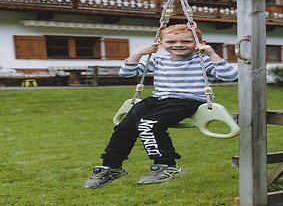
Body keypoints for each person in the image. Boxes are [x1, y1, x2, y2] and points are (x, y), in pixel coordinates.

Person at [84, 24, 238, 188]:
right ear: (160, 43)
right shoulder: (158, 60)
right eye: (171, 41)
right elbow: (126, 73)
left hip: (187, 100)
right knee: (126, 126)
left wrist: (212, 54)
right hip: (158, 99)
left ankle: (167, 166)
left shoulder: (202, 61)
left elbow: (230, 76)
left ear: (200, 43)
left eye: (186, 41)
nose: (178, 45)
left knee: (147, 124)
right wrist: (138, 53)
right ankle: (111, 166)